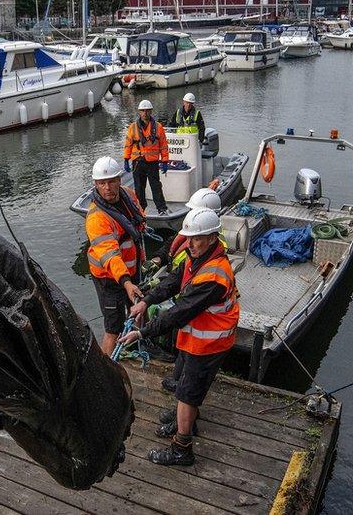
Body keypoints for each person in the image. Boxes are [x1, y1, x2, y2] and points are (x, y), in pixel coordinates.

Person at [119, 208, 239, 466]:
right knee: (184, 383)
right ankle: (186, 422)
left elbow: (179, 312)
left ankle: (182, 449)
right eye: (188, 238)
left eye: (196, 239)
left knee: (187, 393)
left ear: (211, 238)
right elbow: (172, 282)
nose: (189, 244)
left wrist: (142, 332)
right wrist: (146, 301)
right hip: (197, 337)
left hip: (210, 343)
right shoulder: (195, 258)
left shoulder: (214, 276)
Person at [160, 187, 226, 393]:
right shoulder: (194, 244)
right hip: (190, 315)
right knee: (183, 355)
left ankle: (183, 413)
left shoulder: (211, 259)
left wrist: (144, 331)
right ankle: (178, 385)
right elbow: (176, 269)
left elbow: (190, 299)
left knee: (191, 385)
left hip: (202, 324)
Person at [86, 156, 146, 356]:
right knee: (113, 327)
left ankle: (137, 342)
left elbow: (139, 220)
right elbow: (110, 255)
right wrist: (127, 283)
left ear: (119, 180)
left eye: (111, 181)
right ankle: (107, 366)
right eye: (102, 183)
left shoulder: (129, 195)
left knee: (137, 310)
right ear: (95, 184)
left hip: (133, 270)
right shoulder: (97, 218)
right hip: (110, 279)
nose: (107, 187)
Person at [123, 100, 170, 215]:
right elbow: (128, 144)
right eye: (143, 111)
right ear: (139, 112)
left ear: (151, 111)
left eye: (147, 110)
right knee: (139, 188)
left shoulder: (158, 127)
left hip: (152, 162)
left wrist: (165, 161)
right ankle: (140, 209)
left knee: (156, 186)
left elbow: (163, 145)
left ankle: (162, 209)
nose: (145, 113)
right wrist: (126, 159)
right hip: (138, 162)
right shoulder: (133, 127)